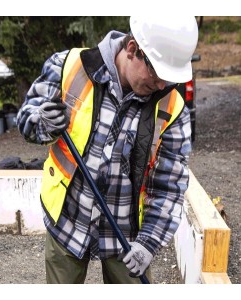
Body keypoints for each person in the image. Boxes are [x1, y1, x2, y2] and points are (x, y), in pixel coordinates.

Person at [17, 16, 198, 284]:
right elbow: (26, 119)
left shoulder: (172, 108)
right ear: (133, 49)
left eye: (170, 77)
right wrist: (41, 122)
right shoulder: (69, 65)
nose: (162, 85)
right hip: (67, 223)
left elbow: (169, 187)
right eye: (158, 73)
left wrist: (148, 243)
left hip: (127, 238)